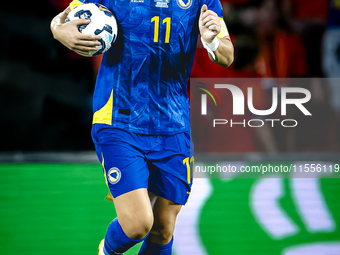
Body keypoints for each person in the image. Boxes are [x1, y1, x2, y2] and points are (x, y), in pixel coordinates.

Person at [50, 0, 234, 254]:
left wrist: (212, 41)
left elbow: (227, 55)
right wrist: (58, 29)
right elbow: (65, 16)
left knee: (163, 228)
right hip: (119, 118)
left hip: (173, 123)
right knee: (138, 224)